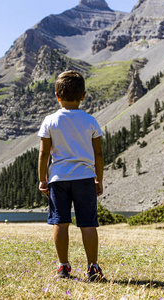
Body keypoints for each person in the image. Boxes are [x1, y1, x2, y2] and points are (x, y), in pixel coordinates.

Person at [37, 70, 104, 281]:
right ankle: (93, 267)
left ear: (57, 96)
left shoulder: (50, 121)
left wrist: (42, 179)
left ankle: (63, 267)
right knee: (88, 223)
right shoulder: (90, 120)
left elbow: (44, 153)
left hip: (59, 179)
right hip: (85, 177)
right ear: (83, 95)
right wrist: (98, 179)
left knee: (60, 222)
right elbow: (99, 154)